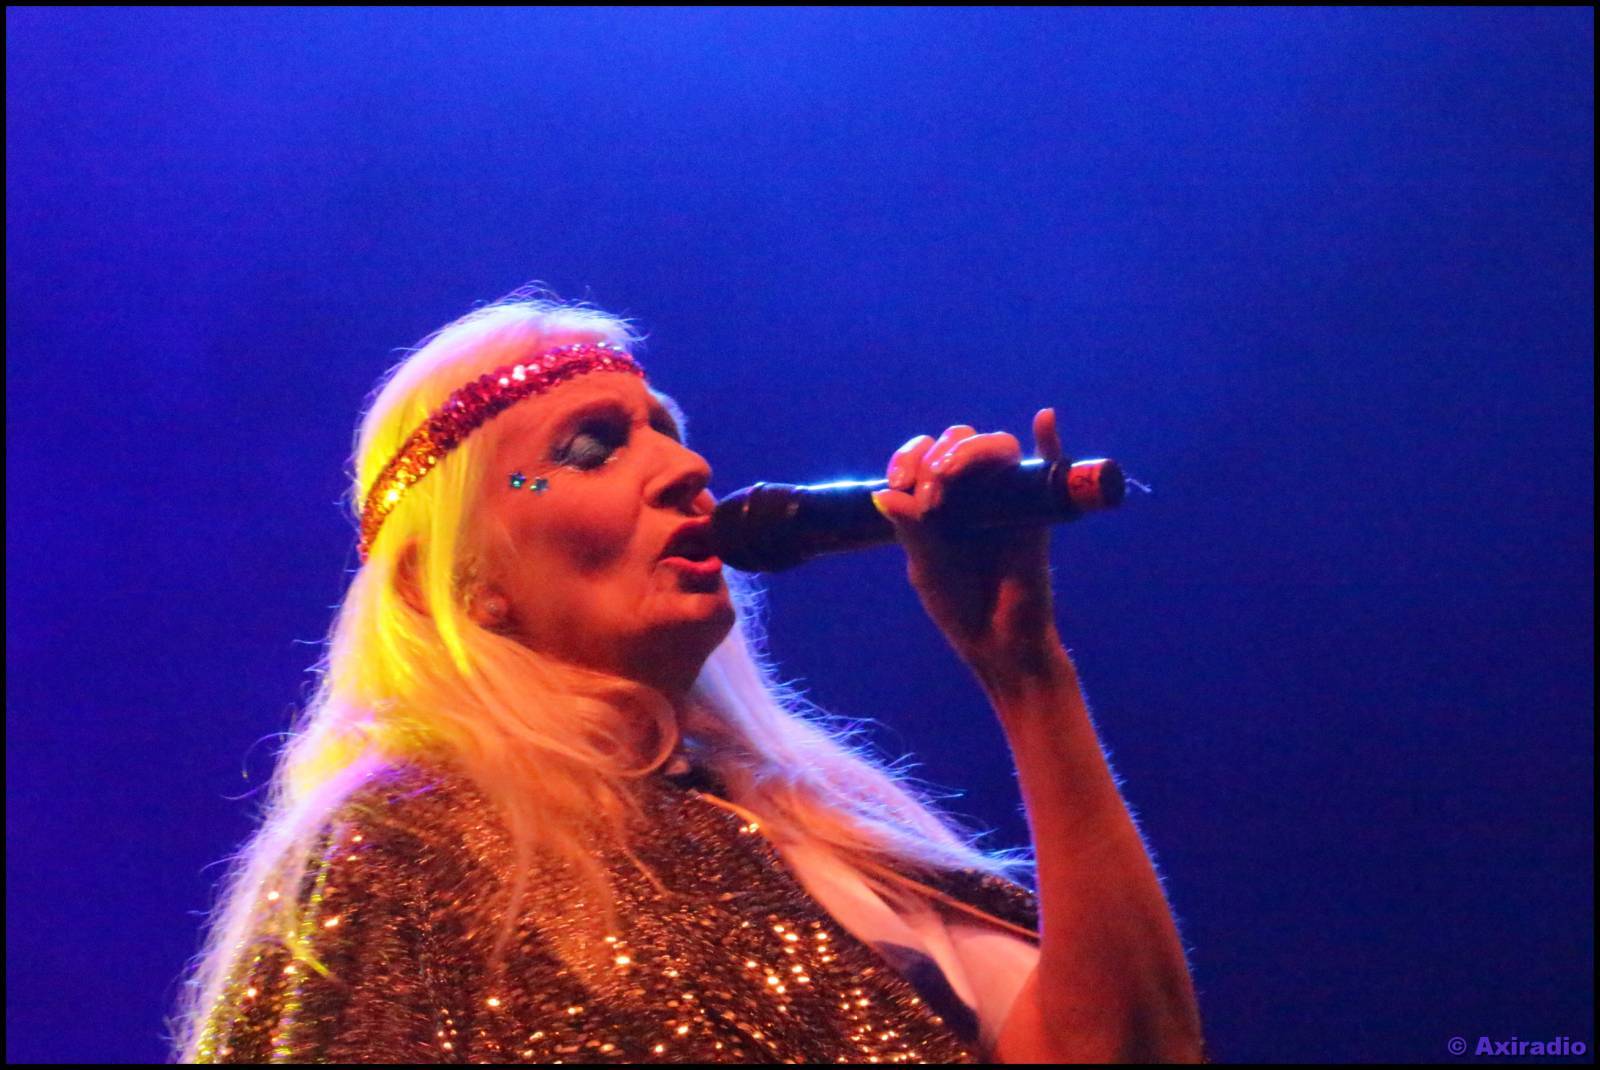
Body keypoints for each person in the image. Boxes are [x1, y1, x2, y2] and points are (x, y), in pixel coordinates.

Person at [167, 287, 1206, 1063]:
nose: (687, 468)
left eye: (664, 430)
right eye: (590, 448)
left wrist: (1025, 671)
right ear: (466, 582)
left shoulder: (811, 828)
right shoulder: (406, 848)